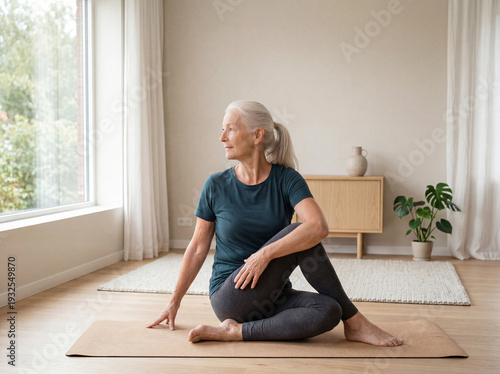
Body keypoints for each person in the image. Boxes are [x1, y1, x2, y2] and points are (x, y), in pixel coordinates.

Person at [146, 100, 404, 347]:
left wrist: (264, 255)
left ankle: (236, 332)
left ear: (257, 135)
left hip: (273, 295)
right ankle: (356, 323)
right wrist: (174, 302)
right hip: (232, 295)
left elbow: (319, 227)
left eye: (231, 129)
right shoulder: (215, 185)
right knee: (299, 231)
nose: (222, 137)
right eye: (222, 130)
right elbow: (197, 248)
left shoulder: (287, 179)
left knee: (329, 310)